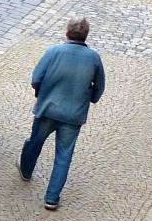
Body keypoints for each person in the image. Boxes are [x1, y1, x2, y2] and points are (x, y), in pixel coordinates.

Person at [17, 16, 105, 210]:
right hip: (73, 116)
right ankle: (52, 198)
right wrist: (89, 99)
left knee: (35, 143)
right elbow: (99, 88)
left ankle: (26, 171)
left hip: (47, 109)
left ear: (67, 32)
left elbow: (35, 78)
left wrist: (41, 93)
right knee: (64, 155)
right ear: (86, 35)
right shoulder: (94, 58)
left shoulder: (53, 51)